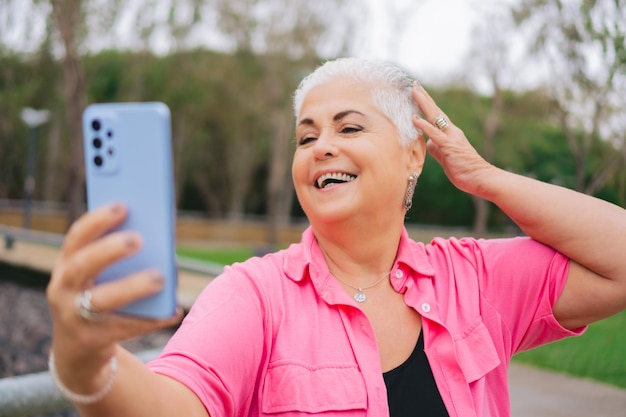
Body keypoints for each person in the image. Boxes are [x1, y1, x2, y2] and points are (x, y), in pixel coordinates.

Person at [46, 57, 626, 417]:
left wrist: (486, 178)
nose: (321, 145)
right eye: (306, 136)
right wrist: (86, 367)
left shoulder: (474, 279)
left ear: (413, 155)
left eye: (349, 127)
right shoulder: (254, 295)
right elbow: (174, 406)